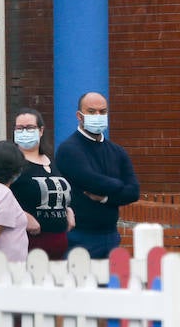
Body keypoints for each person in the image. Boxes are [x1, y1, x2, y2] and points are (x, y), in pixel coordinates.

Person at [55, 91, 140, 260]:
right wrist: (119, 186)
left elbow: (134, 191)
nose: (98, 116)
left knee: (111, 283)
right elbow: (91, 181)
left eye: (103, 112)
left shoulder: (117, 151)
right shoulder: (69, 149)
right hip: (79, 235)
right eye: (92, 112)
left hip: (110, 234)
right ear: (79, 116)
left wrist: (104, 199)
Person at [10, 107, 74, 261]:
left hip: (60, 244)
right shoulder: (12, 165)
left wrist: (68, 210)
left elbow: (60, 192)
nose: (25, 132)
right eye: (20, 128)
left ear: (41, 130)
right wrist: (22, 217)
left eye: (30, 128)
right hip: (29, 244)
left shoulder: (53, 163)